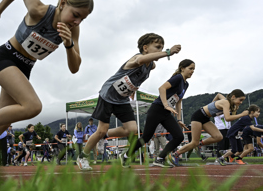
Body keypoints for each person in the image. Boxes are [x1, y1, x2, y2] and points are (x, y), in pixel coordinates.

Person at [0, 0, 94, 168]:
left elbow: (75, 67)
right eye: (75, 15)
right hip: (6, 58)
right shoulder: (39, 10)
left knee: (2, 122)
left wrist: (68, 44)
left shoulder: (73, 30)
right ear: (63, 3)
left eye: (82, 19)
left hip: (24, 69)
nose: (77, 21)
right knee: (33, 106)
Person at [77, 33, 182, 170]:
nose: (160, 50)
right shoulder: (137, 58)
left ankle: (104, 135)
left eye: (162, 47)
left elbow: (135, 77)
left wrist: (132, 89)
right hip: (108, 95)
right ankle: (83, 156)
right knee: (100, 130)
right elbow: (139, 61)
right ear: (145, 48)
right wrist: (168, 52)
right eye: (157, 47)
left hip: (122, 99)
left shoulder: (151, 66)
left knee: (132, 129)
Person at [120, 59, 192, 168]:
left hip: (166, 113)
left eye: (194, 70)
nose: (192, 71)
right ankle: (125, 155)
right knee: (146, 137)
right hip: (157, 109)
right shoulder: (178, 78)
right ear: (182, 68)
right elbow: (162, 88)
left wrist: (179, 119)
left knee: (179, 136)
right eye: (190, 68)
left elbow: (179, 101)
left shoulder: (186, 84)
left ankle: (160, 159)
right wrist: (166, 105)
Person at [171, 89, 253, 166]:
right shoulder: (226, 102)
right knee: (194, 143)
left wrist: (211, 105)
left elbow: (218, 95)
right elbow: (227, 118)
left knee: (218, 137)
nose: (241, 102)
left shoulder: (227, 102)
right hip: (198, 116)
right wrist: (242, 114)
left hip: (206, 118)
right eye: (240, 100)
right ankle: (175, 154)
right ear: (233, 97)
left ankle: (199, 143)